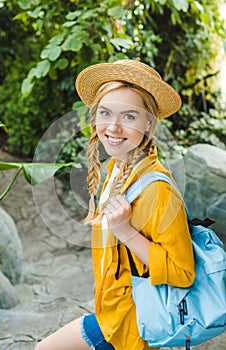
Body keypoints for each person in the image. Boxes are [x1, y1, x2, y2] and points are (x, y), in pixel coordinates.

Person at [35, 59, 196, 350]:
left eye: (130, 116)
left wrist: (126, 231)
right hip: (112, 312)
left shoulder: (157, 189)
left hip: (132, 327)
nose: (113, 127)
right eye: (106, 113)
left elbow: (183, 273)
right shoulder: (116, 169)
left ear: (148, 123)